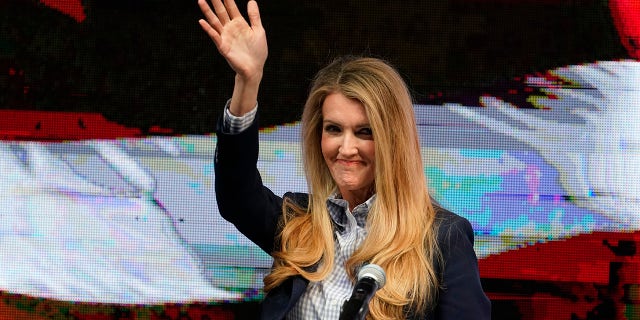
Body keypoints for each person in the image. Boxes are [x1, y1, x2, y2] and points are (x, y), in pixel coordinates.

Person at [197, 0, 491, 318]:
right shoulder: (300, 224)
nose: (346, 148)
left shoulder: (442, 238)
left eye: (364, 132)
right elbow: (235, 191)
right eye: (334, 129)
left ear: (394, 140)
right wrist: (248, 82)